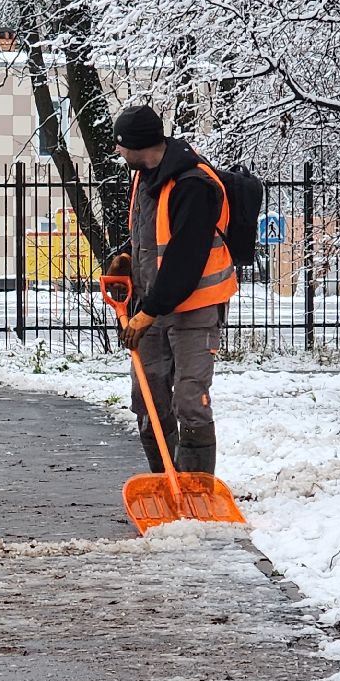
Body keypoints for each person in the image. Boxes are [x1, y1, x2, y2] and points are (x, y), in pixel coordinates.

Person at [111, 104, 237, 477]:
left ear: (138, 144)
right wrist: (126, 255)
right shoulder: (145, 176)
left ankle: (196, 488)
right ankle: (165, 483)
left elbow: (185, 259)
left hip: (195, 305)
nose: (117, 153)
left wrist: (148, 311)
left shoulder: (193, 185)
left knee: (189, 398)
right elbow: (151, 233)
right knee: (147, 396)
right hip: (152, 302)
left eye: (120, 145)